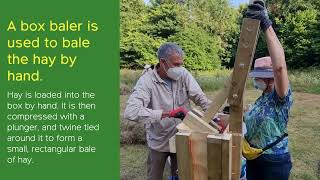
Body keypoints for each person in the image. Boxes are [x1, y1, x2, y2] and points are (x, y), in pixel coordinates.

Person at [123, 42, 211, 180]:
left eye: (181, 64)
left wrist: (214, 115)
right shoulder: (147, 81)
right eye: (176, 64)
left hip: (182, 136)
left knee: (182, 174)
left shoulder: (183, 74)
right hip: (159, 139)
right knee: (154, 175)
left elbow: (199, 97)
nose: (180, 68)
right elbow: (131, 111)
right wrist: (166, 114)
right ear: (163, 62)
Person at [244, 2, 294, 180]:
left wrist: (266, 24)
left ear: (270, 77)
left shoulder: (280, 97)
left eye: (258, 77)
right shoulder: (263, 97)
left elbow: (280, 67)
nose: (255, 80)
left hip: (273, 161)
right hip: (254, 157)